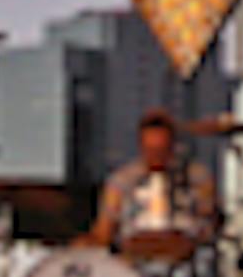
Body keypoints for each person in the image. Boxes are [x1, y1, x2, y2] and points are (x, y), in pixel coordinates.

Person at [86, 109, 217, 258]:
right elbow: (104, 231)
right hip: (133, 255)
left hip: (185, 253)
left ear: (173, 146)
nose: (156, 157)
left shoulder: (197, 177)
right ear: (141, 146)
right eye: (151, 150)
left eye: (162, 150)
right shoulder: (121, 181)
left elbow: (209, 224)